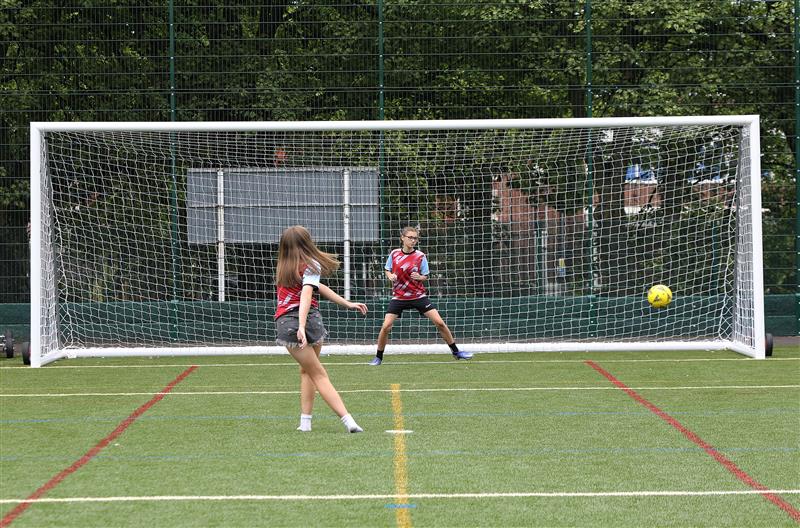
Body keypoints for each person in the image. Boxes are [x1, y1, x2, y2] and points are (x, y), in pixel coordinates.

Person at [275, 225, 367, 432]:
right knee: (314, 372)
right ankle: (314, 422)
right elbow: (307, 294)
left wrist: (346, 302)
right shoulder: (310, 264)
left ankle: (342, 421)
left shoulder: (284, 265)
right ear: (307, 242)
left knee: (312, 372)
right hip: (309, 320)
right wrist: (301, 324)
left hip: (288, 323)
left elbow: (313, 289)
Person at [370, 226, 472, 365]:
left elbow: (425, 276)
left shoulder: (420, 256)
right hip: (399, 297)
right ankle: (378, 357)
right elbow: (387, 269)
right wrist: (390, 276)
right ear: (402, 238)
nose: (413, 240)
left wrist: (419, 277)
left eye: (415, 238)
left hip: (418, 296)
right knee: (386, 326)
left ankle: (456, 352)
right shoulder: (394, 254)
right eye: (410, 237)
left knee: (440, 323)